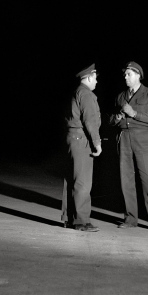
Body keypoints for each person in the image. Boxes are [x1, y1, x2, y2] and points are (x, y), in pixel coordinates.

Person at [110, 61, 148, 232]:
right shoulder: (120, 96)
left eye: (129, 74)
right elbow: (110, 119)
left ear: (138, 75)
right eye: (125, 74)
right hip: (124, 137)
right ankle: (130, 218)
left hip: (143, 138)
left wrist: (134, 113)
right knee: (126, 180)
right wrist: (116, 119)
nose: (125, 77)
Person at [61, 64, 102, 232]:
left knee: (71, 180)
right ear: (90, 77)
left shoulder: (77, 91)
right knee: (83, 181)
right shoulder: (86, 94)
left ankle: (69, 218)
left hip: (72, 137)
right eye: (96, 78)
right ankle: (81, 221)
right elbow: (90, 120)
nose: (97, 82)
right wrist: (97, 143)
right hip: (81, 138)